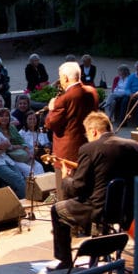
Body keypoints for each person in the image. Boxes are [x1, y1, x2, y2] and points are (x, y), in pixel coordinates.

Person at [49, 112, 138, 269]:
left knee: (57, 210)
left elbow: (78, 188)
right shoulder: (132, 146)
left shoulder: (89, 148)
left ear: (93, 131)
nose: (87, 138)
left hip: (98, 209)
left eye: (87, 134)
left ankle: (64, 260)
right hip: (127, 208)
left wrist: (66, 179)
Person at [45, 61, 100, 196]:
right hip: (88, 147)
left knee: (65, 193)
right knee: (85, 190)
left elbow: (51, 123)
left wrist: (51, 109)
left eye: (60, 77)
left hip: (67, 153)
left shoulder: (64, 99)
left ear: (65, 78)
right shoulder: (92, 91)